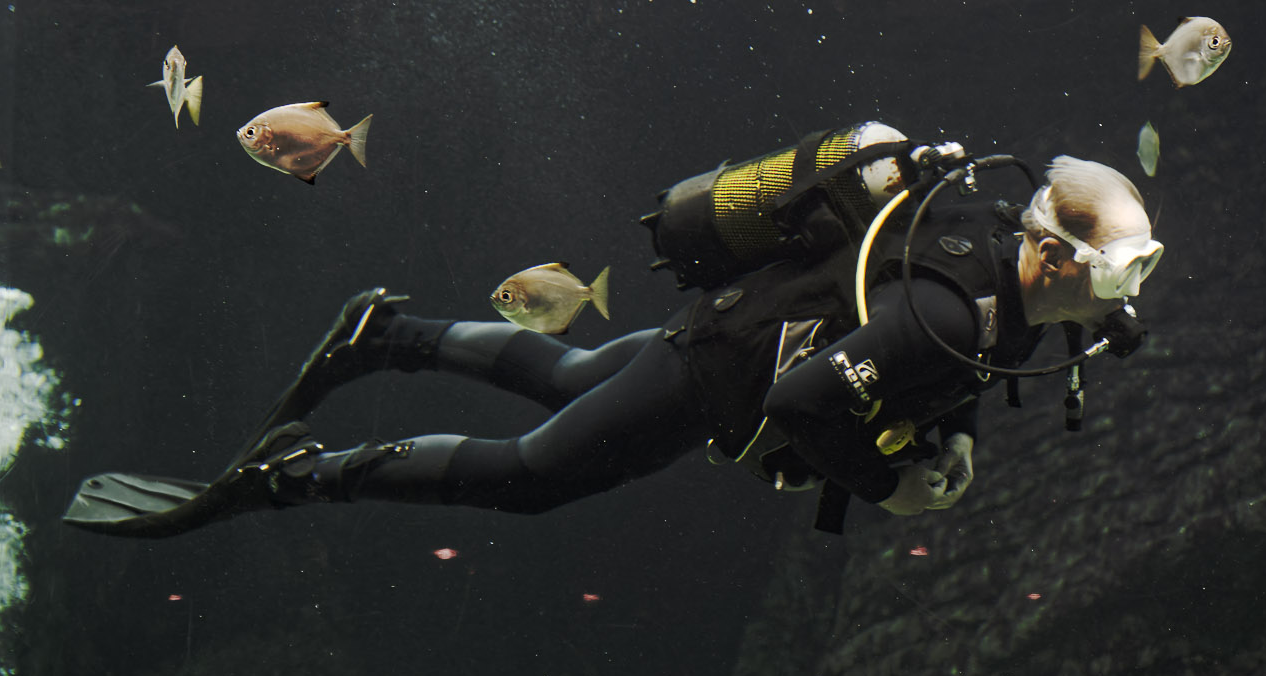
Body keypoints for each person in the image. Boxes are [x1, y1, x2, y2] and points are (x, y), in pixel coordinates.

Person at [63, 124, 1163, 538]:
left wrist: (958, 432)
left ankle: (392, 333)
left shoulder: (1000, 286)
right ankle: (304, 474)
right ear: (1056, 252)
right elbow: (803, 403)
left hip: (728, 330)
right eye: (1128, 265)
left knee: (579, 365)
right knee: (532, 473)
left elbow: (957, 359)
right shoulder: (944, 309)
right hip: (725, 372)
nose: (1133, 292)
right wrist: (890, 488)